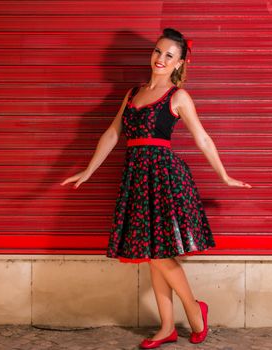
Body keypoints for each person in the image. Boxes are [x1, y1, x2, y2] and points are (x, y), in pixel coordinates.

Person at [61, 27, 252, 349]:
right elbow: (112, 133)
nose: (160, 59)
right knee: (152, 254)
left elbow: (202, 137)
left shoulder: (178, 97)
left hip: (164, 179)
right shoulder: (133, 92)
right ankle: (166, 327)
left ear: (179, 63)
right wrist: (88, 171)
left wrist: (224, 175)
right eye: (157, 52)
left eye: (169, 56)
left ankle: (193, 309)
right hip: (136, 179)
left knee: (160, 254)